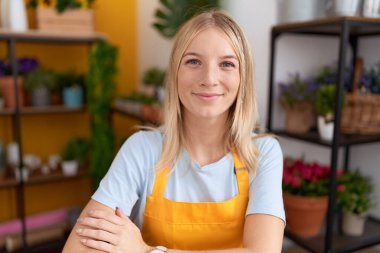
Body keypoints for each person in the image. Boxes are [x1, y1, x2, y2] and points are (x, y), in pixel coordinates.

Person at [63, 10, 285, 253]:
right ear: (175, 73)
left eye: (227, 64)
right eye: (193, 61)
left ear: (244, 77)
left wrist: (146, 251)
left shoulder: (262, 153)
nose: (209, 78)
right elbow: (77, 248)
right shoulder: (142, 149)